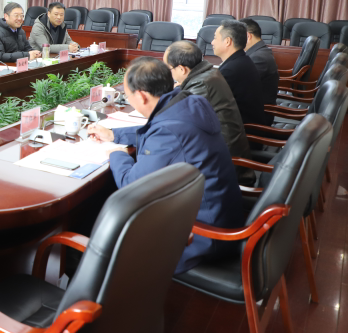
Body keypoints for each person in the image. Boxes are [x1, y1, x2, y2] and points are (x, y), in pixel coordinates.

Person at [86, 57, 243, 273]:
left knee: (94, 219)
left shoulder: (168, 132)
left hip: (201, 236)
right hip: (218, 214)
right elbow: (160, 130)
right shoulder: (190, 103)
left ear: (141, 96)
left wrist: (117, 155)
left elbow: (132, 186)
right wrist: (114, 135)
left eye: (128, 96)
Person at [211, 20, 271, 125]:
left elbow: (212, 104)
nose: (212, 42)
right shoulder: (242, 59)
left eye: (215, 38)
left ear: (227, 41)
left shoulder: (230, 70)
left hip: (241, 129)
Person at [240, 18, 280, 106]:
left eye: (236, 37)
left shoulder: (258, 57)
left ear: (248, 36)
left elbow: (241, 86)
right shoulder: (260, 50)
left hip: (258, 110)